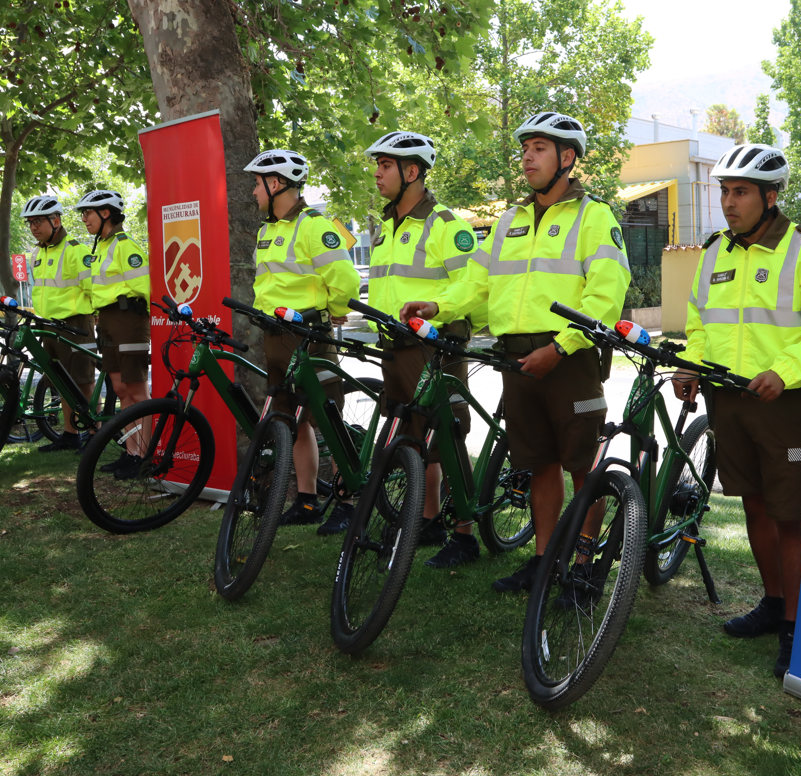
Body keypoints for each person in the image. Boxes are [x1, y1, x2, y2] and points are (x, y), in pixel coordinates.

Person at [402, 111, 630, 591]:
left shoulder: (595, 216)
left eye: (540, 148)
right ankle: (545, 562)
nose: (527, 155)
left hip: (569, 358)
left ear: (567, 158)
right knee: (539, 463)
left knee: (581, 465)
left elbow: (606, 297)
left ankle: (585, 568)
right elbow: (480, 283)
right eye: (525, 148)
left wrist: (562, 347)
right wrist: (439, 305)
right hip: (516, 358)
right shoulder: (509, 220)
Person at [671, 143, 801, 678]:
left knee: (791, 516)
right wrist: (691, 365)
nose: (728, 202)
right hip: (728, 400)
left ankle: (797, 626)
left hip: (783, 402)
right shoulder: (715, 251)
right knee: (755, 507)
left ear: (770, 196)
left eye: (740, 192)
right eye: (723, 191)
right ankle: (771, 602)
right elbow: (699, 322)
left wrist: (784, 371)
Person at [363, 130, 480, 568]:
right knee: (413, 435)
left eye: (385, 165)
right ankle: (428, 520)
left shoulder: (445, 224)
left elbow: (473, 283)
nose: (377, 173)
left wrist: (438, 308)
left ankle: (465, 535)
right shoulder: (386, 227)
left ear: (412, 171)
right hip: (393, 346)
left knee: (447, 435)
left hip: (435, 349)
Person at [243, 148, 360, 534]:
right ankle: (307, 500)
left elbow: (344, 279)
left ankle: (348, 502)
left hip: (309, 337)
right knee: (295, 422)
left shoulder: (314, 226)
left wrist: (332, 308)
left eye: (257, 184)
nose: (254, 192)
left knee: (327, 419)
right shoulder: (267, 229)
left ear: (275, 183)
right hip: (275, 339)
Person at [76, 189, 151, 475]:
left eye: (88, 213)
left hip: (128, 319)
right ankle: (131, 452)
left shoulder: (125, 246)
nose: (84, 219)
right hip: (106, 319)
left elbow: (144, 287)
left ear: (105, 213)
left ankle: (144, 455)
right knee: (120, 389)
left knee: (137, 389)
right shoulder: (102, 247)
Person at [21, 194, 96, 452]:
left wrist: (92, 319)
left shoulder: (76, 250)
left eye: (38, 221)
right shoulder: (36, 254)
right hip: (49, 325)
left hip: (76, 324)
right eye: (30, 222)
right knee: (62, 382)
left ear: (56, 220)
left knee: (83, 380)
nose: (33, 227)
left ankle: (94, 433)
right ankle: (70, 433)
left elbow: (93, 289)